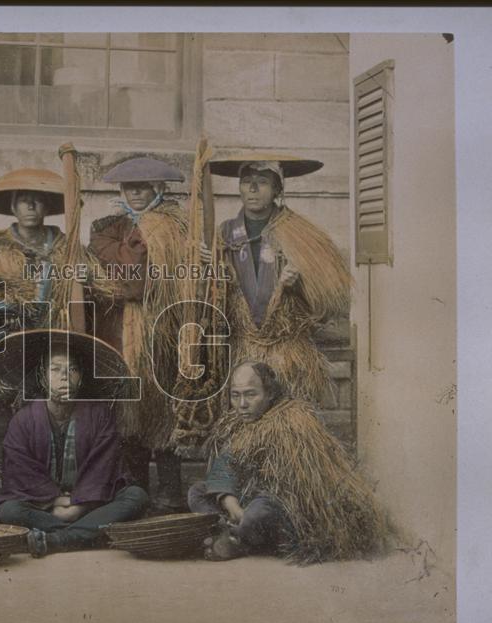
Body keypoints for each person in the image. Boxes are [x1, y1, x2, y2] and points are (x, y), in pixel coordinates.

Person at [0, 168, 112, 461]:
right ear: (13, 206)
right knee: (8, 426)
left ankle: (50, 484)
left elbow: (99, 287)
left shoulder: (66, 249)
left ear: (47, 207)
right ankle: (11, 487)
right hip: (6, 351)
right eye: (23, 200)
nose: (30, 207)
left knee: (51, 423)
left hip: (52, 350)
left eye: (37, 201)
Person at [188, 361, 391, 563]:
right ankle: (231, 532)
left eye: (251, 394)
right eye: (235, 395)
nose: (242, 404)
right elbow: (225, 464)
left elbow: (288, 489)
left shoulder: (292, 422)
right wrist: (229, 502)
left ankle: (236, 540)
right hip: (243, 501)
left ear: (269, 394)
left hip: (278, 503)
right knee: (196, 492)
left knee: (260, 512)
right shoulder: (237, 422)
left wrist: (245, 509)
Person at [86, 156, 195, 513]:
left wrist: (130, 281)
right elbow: (125, 277)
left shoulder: (178, 227)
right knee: (128, 410)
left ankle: (169, 495)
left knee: (162, 406)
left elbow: (158, 280)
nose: (135, 192)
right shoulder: (106, 226)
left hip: (163, 329)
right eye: (130, 187)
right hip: (118, 330)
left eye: (144, 186)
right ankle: (135, 495)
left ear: (159, 189)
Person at [0, 329, 149, 557]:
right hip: (46, 507)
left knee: (136, 497)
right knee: (10, 510)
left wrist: (79, 505)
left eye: (72, 369)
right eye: (55, 369)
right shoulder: (23, 420)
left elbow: (104, 468)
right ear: (42, 376)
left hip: (91, 505)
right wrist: (55, 500)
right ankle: (87, 535)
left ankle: (59, 539)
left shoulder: (99, 414)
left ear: (81, 377)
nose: (64, 376)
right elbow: (21, 472)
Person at [209, 154, 352, 404]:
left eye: (262, 181)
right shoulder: (225, 233)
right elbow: (213, 295)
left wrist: (296, 286)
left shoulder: (301, 234)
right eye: (246, 181)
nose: (252, 189)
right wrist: (208, 266)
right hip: (241, 349)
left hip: (286, 352)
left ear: (277, 188)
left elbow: (327, 303)